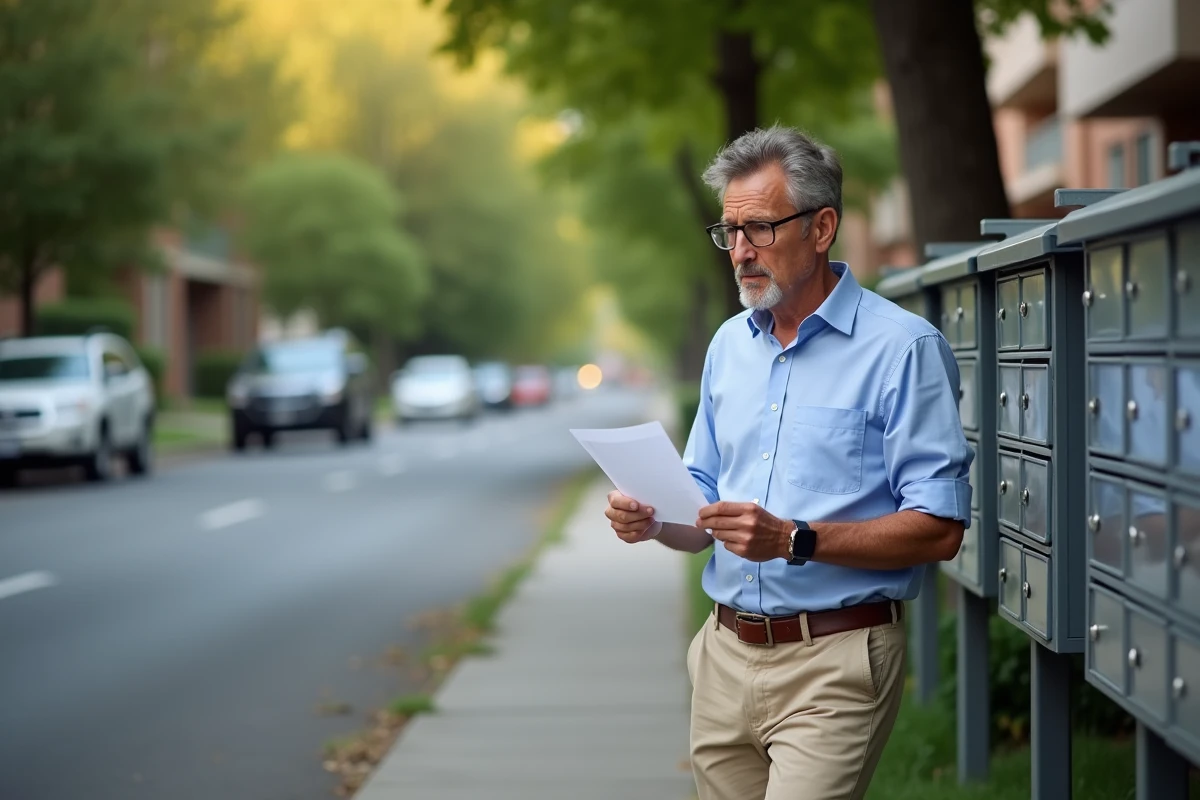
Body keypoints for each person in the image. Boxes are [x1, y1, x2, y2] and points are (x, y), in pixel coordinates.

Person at [604, 126, 973, 800]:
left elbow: (940, 528)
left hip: (836, 661)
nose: (740, 252)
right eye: (730, 232)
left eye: (761, 230)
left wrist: (795, 539)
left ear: (823, 226)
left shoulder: (903, 351)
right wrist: (655, 521)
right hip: (721, 659)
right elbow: (704, 510)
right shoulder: (727, 345)